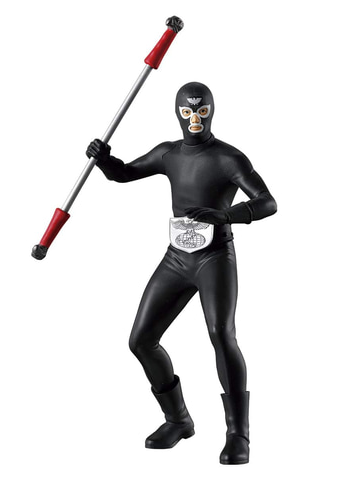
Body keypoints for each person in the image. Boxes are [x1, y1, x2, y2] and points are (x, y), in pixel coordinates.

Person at [86, 82, 277, 464]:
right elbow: (123, 174)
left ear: (212, 111)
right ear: (177, 113)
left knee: (221, 334)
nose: (194, 119)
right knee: (141, 340)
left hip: (214, 257)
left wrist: (225, 215)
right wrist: (103, 159)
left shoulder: (228, 158)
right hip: (177, 257)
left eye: (201, 111)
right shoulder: (168, 153)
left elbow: (268, 202)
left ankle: (238, 434)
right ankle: (178, 420)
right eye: (188, 112)